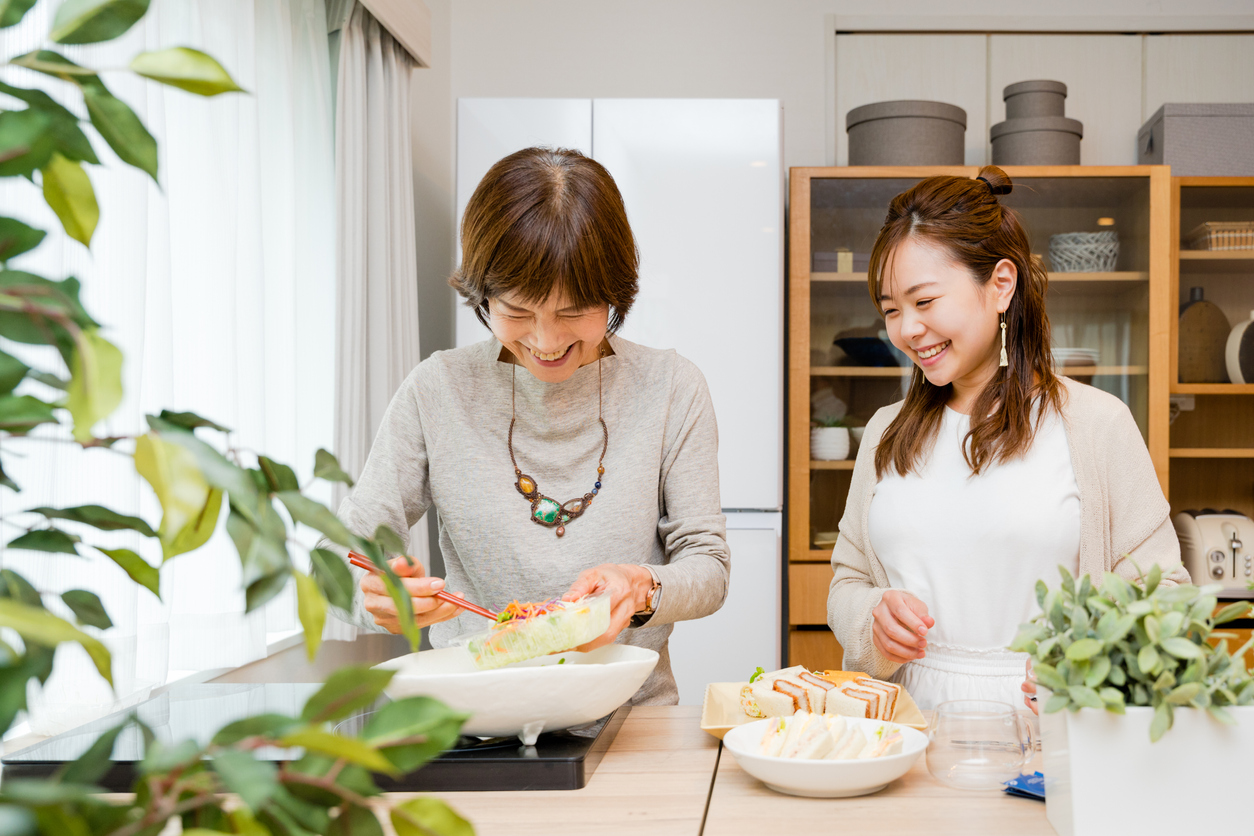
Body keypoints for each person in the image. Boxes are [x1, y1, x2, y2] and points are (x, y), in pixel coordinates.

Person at [330, 147, 730, 704]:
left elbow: (707, 568)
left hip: (630, 720)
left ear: (615, 291)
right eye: (517, 311)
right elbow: (340, 554)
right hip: (471, 719)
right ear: (482, 293)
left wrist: (643, 586)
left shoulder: (671, 388)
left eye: (573, 312)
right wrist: (371, 592)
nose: (546, 341)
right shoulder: (438, 389)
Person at [825, 165, 1186, 712]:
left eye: (924, 302)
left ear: (1000, 284)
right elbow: (847, 580)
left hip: (1052, 734)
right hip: (907, 735)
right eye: (891, 309)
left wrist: (1091, 666)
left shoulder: (1096, 425)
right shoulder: (885, 432)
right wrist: (872, 622)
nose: (906, 331)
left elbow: (1164, 594)